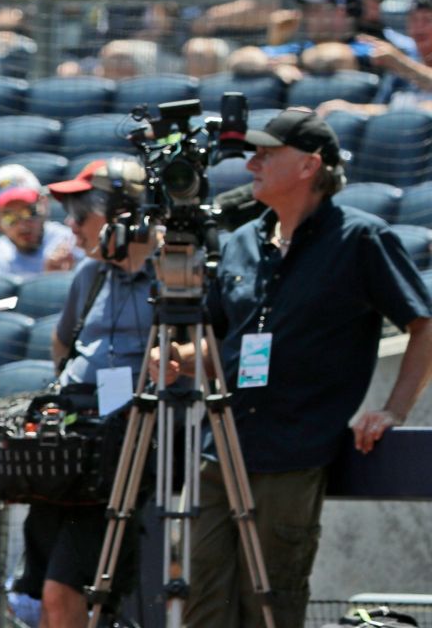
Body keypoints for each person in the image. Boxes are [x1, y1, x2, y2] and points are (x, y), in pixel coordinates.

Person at [150, 108, 432, 628]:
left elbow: (424, 324)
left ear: (309, 166)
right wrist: (176, 360)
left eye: (266, 153)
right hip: (220, 448)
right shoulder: (239, 242)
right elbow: (215, 344)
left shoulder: (362, 239)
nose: (251, 163)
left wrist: (393, 410)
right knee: (198, 603)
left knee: (271, 606)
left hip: (293, 453)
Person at [14, 158, 154, 628]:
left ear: (123, 217)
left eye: (80, 217)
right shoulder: (90, 276)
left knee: (64, 592)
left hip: (122, 456)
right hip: (68, 452)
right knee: (38, 595)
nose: (70, 229)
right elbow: (63, 342)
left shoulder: (169, 276)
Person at [0, 164, 80, 279]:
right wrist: (48, 280)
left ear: (44, 204)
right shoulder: (0, 251)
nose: (23, 226)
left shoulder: (72, 241)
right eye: (9, 217)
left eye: (30, 212)